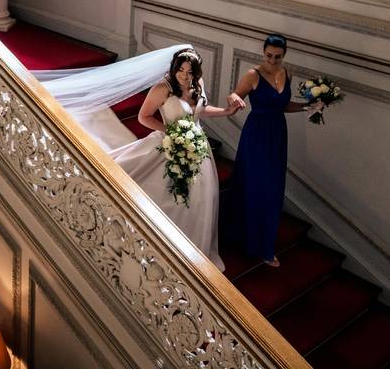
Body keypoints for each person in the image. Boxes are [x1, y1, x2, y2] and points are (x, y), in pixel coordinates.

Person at [36, 46, 239, 271]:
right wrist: (172, 133)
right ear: (174, 68)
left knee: (201, 198)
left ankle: (191, 250)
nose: (184, 75)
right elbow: (143, 117)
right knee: (162, 196)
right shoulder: (162, 89)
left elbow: (201, 110)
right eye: (180, 70)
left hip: (198, 147)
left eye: (190, 72)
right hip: (169, 144)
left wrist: (225, 112)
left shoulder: (197, 85)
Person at [225, 34, 320, 268]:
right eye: (269, 55)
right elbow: (234, 95)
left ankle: (265, 244)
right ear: (263, 52)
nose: (273, 60)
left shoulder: (287, 73)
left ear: (284, 55)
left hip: (277, 134)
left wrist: (309, 106)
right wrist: (236, 99)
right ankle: (245, 239)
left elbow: (283, 105)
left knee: (274, 188)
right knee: (255, 185)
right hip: (256, 134)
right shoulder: (252, 74)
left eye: (277, 56)